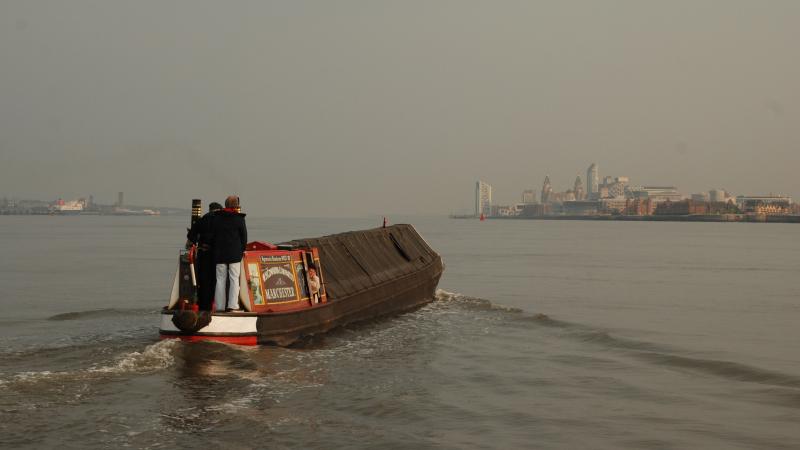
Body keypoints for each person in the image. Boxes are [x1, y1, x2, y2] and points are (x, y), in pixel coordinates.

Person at [211, 196, 248, 312]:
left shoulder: (216, 218)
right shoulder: (239, 219)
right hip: (235, 254)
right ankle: (232, 305)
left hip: (220, 254)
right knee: (234, 279)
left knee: (220, 280)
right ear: (236, 206)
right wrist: (241, 251)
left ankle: (220, 306)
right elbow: (244, 238)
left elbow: (213, 236)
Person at [186, 202, 222, 311]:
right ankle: (218, 305)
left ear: (210, 209)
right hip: (219, 255)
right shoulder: (222, 221)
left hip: (204, 254)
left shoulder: (202, 220)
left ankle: (203, 307)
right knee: (219, 280)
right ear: (220, 209)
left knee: (204, 281)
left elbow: (190, 239)